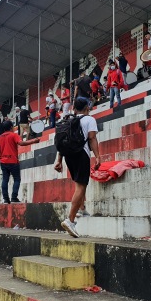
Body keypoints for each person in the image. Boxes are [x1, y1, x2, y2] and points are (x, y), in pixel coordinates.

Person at [54, 97, 101, 238]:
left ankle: (82, 208)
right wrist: (98, 156)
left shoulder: (69, 120)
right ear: (87, 107)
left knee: (79, 183)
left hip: (69, 155)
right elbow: (92, 138)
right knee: (81, 185)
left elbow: (63, 141)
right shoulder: (89, 119)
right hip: (82, 154)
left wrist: (59, 160)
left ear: (74, 108)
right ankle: (70, 220)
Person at [0, 120, 40, 204]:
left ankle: (6, 199)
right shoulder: (13, 135)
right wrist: (34, 141)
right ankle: (14, 198)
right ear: (11, 127)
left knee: (5, 180)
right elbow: (21, 143)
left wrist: (1, 158)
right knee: (17, 179)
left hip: (3, 162)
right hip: (13, 161)